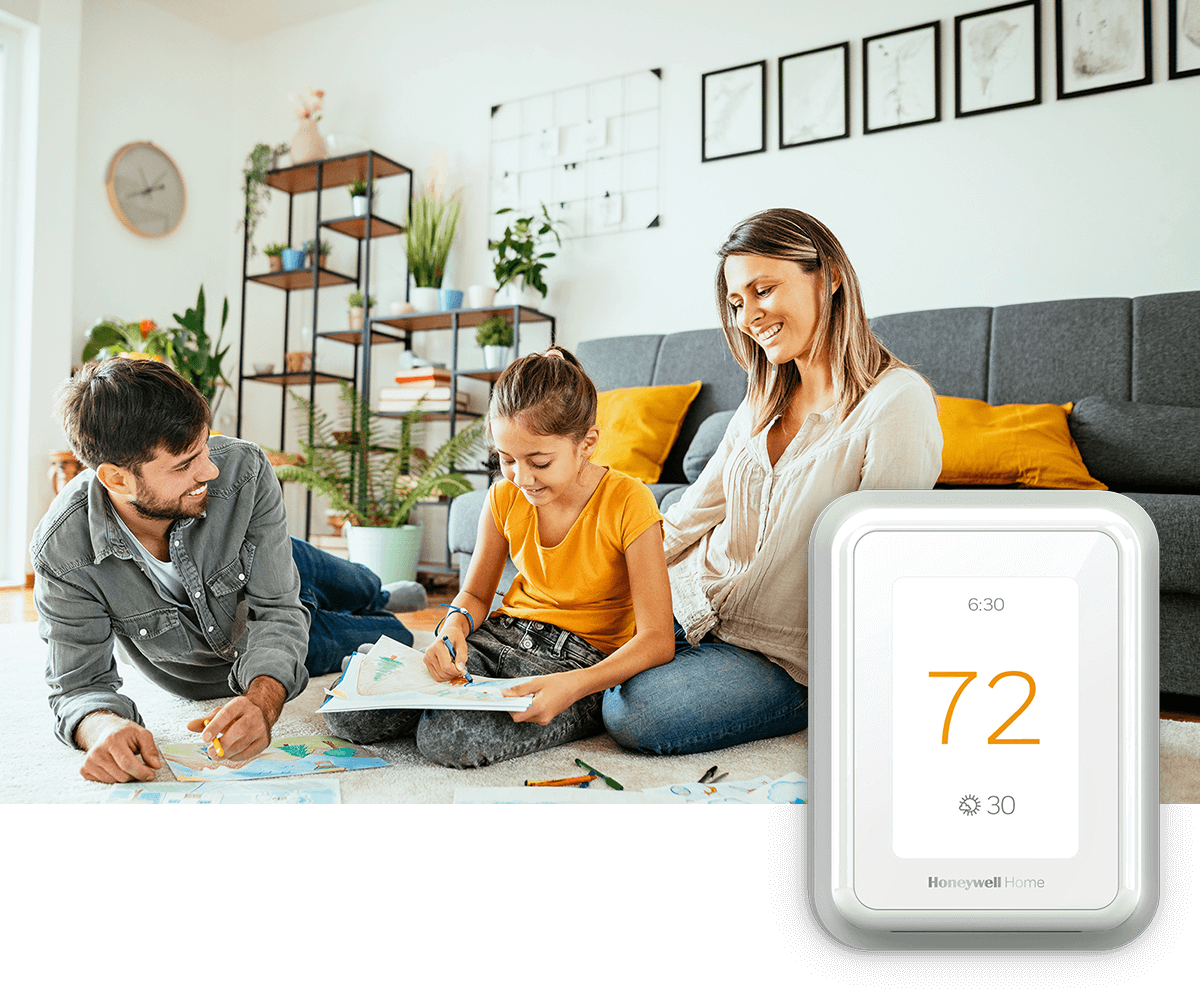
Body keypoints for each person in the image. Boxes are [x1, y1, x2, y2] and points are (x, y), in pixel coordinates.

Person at [601, 208, 943, 754]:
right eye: (737, 302)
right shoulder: (762, 398)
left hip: (785, 657)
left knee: (639, 711)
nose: (747, 317)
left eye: (763, 290)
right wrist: (609, 570)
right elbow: (695, 511)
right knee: (560, 619)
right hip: (693, 596)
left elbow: (880, 570)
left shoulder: (895, 403)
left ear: (828, 276)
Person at [30, 356, 427, 783]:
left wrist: (264, 704)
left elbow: (278, 607)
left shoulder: (242, 471)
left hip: (273, 567)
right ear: (117, 479)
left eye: (204, 447)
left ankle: (380, 592)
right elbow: (77, 685)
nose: (210, 470)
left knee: (359, 582)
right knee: (397, 638)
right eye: (184, 464)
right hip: (232, 657)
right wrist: (104, 727)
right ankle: (384, 606)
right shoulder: (63, 551)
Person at [323, 346, 676, 767]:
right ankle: (404, 684)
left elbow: (657, 640)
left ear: (587, 444)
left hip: (577, 665)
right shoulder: (504, 496)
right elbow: (473, 595)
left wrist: (575, 685)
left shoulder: (629, 501)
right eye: (507, 460)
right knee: (349, 713)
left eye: (539, 462)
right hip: (498, 637)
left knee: (448, 738)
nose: (522, 478)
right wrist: (452, 627)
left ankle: (423, 697)